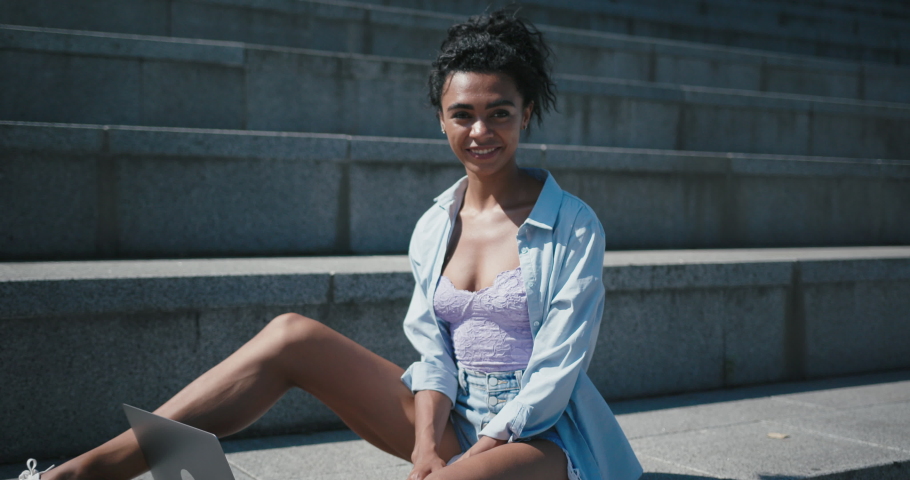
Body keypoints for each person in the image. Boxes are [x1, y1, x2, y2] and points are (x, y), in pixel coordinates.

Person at [22, 9, 642, 480]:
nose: (480, 131)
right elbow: (432, 354)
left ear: (526, 113)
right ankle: (85, 472)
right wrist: (427, 442)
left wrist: (472, 456)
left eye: (499, 112)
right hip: (450, 416)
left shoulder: (573, 224)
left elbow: (558, 371)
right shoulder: (435, 225)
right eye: (463, 114)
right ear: (440, 118)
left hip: (541, 437)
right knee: (292, 335)